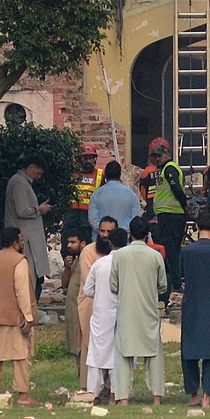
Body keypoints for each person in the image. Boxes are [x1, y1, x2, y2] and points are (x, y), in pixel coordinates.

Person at [107, 213, 167, 405]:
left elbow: (113, 286)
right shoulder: (156, 256)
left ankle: (122, 398)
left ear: (129, 234)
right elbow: (163, 285)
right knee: (154, 353)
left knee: (123, 354)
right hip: (148, 311)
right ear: (147, 234)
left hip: (126, 311)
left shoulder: (120, 256)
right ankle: (156, 397)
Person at [0, 225, 37, 402]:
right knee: (21, 356)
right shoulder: (19, 261)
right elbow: (22, 291)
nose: (21, 243)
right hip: (13, 317)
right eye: (19, 241)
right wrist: (27, 316)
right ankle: (23, 394)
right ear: (14, 243)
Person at [177, 210, 210, 406]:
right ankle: (208, 394)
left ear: (196, 227)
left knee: (189, 350)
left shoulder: (186, 252)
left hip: (192, 304)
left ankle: (193, 395)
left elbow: (181, 276)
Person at [145, 136, 190, 291]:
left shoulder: (170, 168)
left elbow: (176, 188)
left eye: (159, 155)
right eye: (154, 156)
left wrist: (184, 205)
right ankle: (174, 283)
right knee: (170, 250)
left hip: (172, 216)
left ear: (167, 153)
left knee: (171, 251)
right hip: (169, 215)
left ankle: (176, 284)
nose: (157, 159)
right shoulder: (165, 169)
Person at [4, 158, 52, 301]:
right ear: (31, 167)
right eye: (38, 173)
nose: (39, 177)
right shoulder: (19, 183)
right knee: (28, 276)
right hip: (25, 237)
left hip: (26, 235)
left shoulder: (20, 182)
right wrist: (39, 210)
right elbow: (22, 211)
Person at [82, 226, 121, 403]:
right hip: (122, 314)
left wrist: (101, 295)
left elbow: (87, 289)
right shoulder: (126, 263)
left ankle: (93, 393)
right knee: (118, 354)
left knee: (97, 355)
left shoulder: (100, 263)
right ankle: (115, 394)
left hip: (101, 315)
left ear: (110, 243)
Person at [61, 229, 96, 390]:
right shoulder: (75, 260)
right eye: (68, 242)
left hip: (84, 308)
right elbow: (65, 284)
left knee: (85, 345)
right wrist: (67, 267)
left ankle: (87, 383)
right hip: (72, 309)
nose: (69, 245)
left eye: (73, 242)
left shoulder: (88, 258)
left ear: (83, 243)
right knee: (77, 345)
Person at [87, 159, 143, 235]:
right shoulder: (131, 195)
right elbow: (136, 220)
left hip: (101, 240)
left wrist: (105, 231)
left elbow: (93, 220)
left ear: (105, 175)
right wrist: (120, 231)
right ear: (120, 175)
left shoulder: (96, 195)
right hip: (124, 240)